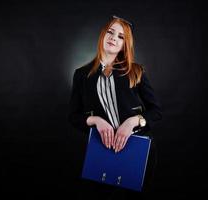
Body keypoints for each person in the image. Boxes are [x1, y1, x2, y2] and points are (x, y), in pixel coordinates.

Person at [68, 15, 162, 199]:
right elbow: (73, 116)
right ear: (103, 35)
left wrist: (133, 121)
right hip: (101, 150)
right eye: (111, 32)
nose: (113, 38)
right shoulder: (81, 75)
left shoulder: (136, 71)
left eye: (121, 36)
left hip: (137, 149)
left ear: (124, 45)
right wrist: (95, 120)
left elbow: (156, 111)